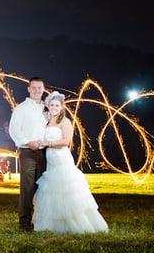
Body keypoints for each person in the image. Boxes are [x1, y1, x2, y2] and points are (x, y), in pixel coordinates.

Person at [33, 91, 109, 234]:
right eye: (51, 105)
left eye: (57, 105)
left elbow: (66, 141)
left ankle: (75, 223)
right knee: (52, 189)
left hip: (62, 159)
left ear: (62, 107)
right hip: (50, 159)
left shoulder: (65, 121)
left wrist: (46, 143)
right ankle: (54, 224)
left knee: (65, 189)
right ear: (48, 106)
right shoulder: (47, 121)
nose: (54, 107)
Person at [9, 77, 47, 232]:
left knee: (43, 188)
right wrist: (27, 141)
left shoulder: (47, 108)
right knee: (27, 189)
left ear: (44, 89)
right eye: (34, 87)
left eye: (40, 88)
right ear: (29, 89)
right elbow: (14, 130)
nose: (37, 90)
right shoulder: (21, 108)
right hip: (28, 153)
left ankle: (40, 221)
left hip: (45, 152)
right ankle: (24, 223)